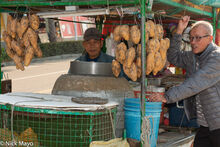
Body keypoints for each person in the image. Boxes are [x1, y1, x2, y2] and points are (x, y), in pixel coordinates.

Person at [149, 16, 220, 147]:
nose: (193, 42)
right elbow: (173, 57)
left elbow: (196, 83)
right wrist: (179, 32)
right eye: (191, 38)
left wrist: (167, 96)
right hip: (205, 124)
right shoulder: (193, 56)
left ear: (210, 39)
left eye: (198, 38)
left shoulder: (217, 58)